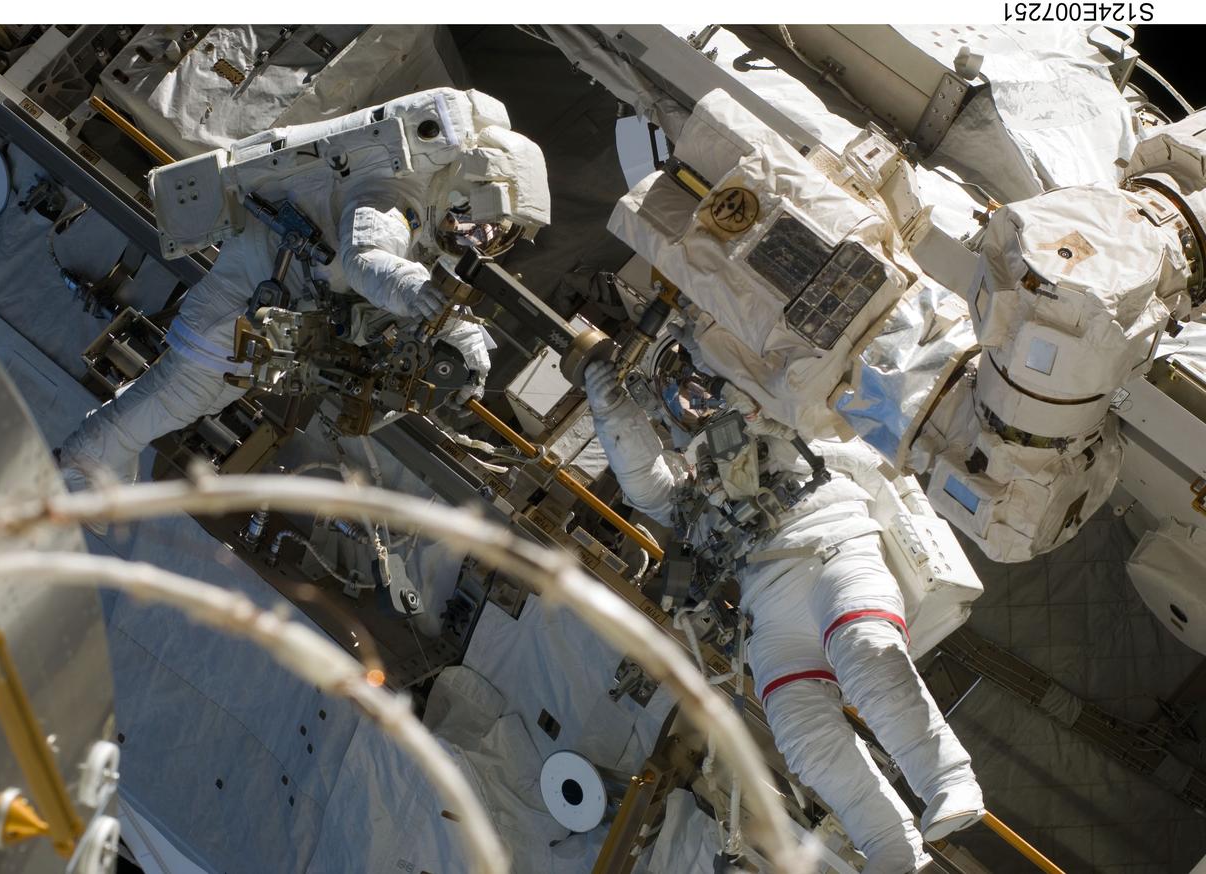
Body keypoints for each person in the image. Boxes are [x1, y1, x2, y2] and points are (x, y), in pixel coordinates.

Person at [583, 353, 984, 873]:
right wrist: (609, 405)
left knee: (865, 653)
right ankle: (892, 848)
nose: (694, 400)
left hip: (835, 549)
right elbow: (642, 479)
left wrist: (779, 420)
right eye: (679, 395)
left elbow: (865, 454)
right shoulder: (695, 492)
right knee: (801, 735)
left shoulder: (794, 419)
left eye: (698, 387)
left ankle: (948, 780)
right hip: (770, 608)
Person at [58, 87, 549, 488]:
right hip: (244, 298)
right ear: (465, 188)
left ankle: (107, 455)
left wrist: (466, 342)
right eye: (480, 225)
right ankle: (84, 463)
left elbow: (427, 285)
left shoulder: (426, 206)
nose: (476, 240)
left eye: (493, 237)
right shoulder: (393, 194)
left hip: (271, 308)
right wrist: (412, 286)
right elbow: (367, 259)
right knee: (179, 395)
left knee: (200, 399)